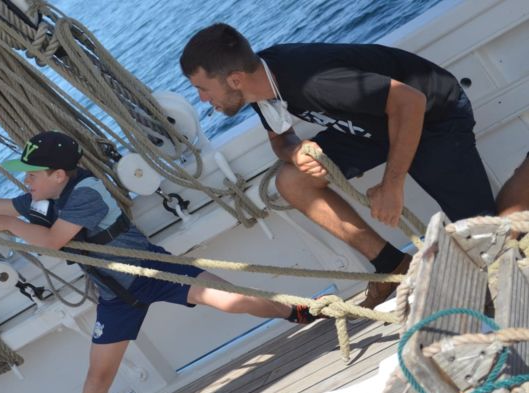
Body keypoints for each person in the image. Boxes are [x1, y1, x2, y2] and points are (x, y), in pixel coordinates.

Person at [0, 131, 317, 393]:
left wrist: (11, 227)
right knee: (99, 375)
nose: (24, 183)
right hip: (116, 297)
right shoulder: (43, 198)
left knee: (231, 299)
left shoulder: (86, 194)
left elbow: (54, 241)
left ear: (58, 175)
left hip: (155, 271)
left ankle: (295, 311)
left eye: (31, 176)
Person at [180, 24, 497, 308]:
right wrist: (295, 151)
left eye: (203, 89)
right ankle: (392, 264)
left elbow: (409, 101)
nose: (203, 99)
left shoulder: (311, 80)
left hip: (431, 117)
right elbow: (281, 139)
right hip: (370, 128)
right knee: (291, 181)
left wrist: (392, 185)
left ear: (234, 80)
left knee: (492, 240)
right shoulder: (261, 86)